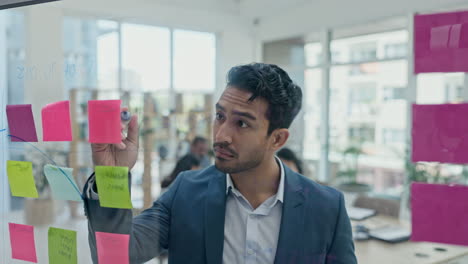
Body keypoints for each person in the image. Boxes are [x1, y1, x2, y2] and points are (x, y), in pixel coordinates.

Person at [84, 63, 357, 264]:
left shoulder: (327, 207)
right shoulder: (186, 192)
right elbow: (114, 256)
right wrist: (112, 175)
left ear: (277, 139)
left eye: (242, 123)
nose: (221, 135)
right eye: (219, 116)